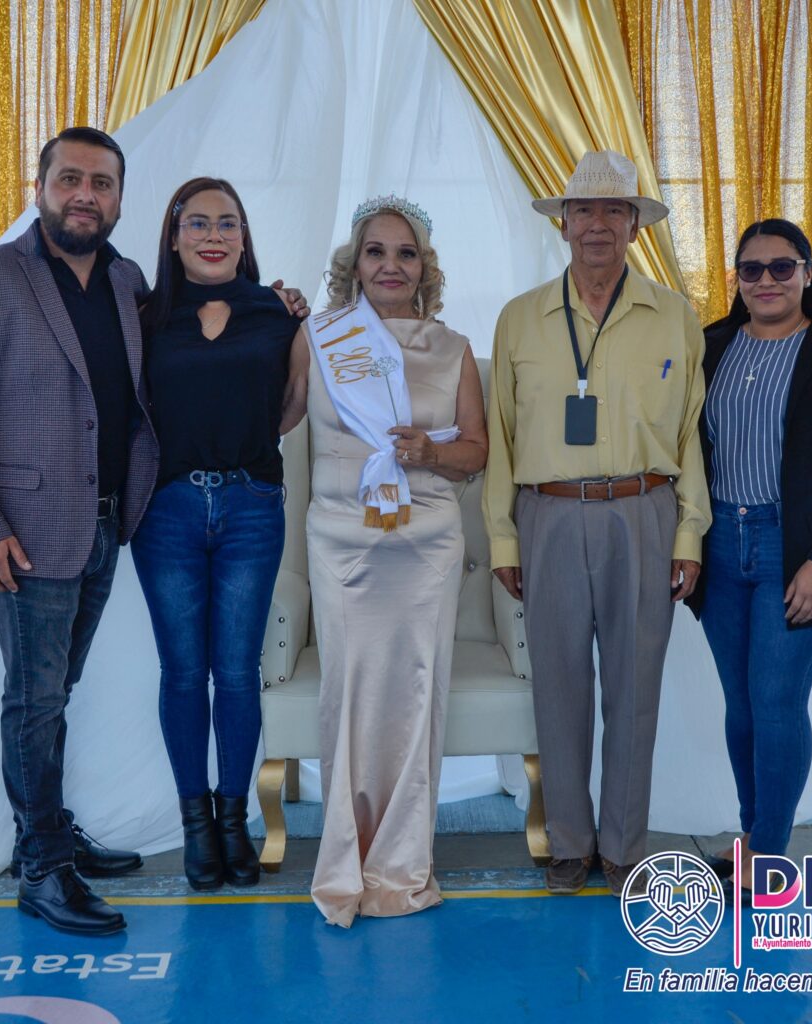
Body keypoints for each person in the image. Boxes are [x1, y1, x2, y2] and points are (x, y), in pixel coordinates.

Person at [0, 127, 156, 935]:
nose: (85, 194)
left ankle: (51, 827)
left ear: (119, 198)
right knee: (33, 698)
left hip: (105, 523)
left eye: (101, 182)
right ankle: (42, 867)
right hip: (22, 534)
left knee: (56, 692)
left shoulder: (127, 281)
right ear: (41, 187)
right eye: (70, 179)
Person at [483, 150, 712, 898]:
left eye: (616, 210)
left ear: (635, 226)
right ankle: (570, 843)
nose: (598, 225)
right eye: (585, 210)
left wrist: (688, 534)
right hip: (547, 514)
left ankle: (623, 848)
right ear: (564, 224)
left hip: (643, 513)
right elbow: (502, 438)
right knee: (558, 688)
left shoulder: (674, 316)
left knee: (634, 689)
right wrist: (504, 538)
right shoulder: (519, 318)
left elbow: (691, 436)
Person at [282, 195, 488, 926]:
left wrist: (429, 452)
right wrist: (268, 324)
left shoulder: (454, 347)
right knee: (350, 693)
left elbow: (476, 453)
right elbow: (279, 417)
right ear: (355, 263)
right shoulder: (320, 336)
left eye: (406, 254)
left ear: (424, 267)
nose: (390, 266)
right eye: (376, 252)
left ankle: (401, 862)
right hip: (342, 539)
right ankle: (345, 860)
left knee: (417, 695)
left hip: (426, 542)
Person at [686, 219, 812, 902]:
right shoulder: (711, 345)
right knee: (741, 707)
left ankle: (768, 855)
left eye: (781, 267)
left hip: (795, 547)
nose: (766, 280)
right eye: (752, 269)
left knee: (775, 703)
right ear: (736, 278)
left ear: (807, 272)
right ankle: (753, 839)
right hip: (720, 544)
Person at [131, 177, 303, 892]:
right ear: (173, 237)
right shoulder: (143, 317)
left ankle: (234, 820)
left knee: (235, 671)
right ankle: (195, 825)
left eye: (227, 223)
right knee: (181, 672)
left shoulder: (279, 313)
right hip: (166, 510)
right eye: (197, 223)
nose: (212, 235)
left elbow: (290, 406)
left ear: (243, 237)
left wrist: (244, 448)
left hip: (252, 505)